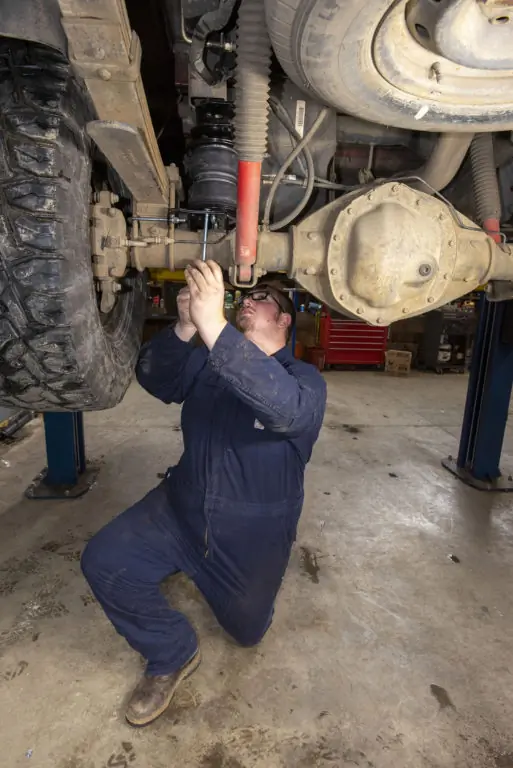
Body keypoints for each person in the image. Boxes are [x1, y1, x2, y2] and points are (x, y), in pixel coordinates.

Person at [81, 260, 326, 727]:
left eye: (262, 299)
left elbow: (289, 414)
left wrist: (215, 326)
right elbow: (154, 377)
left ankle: (223, 578)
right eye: (245, 297)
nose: (247, 301)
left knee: (246, 632)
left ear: (284, 320)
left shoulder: (304, 382)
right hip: (181, 508)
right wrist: (186, 326)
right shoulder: (211, 363)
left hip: (249, 535)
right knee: (103, 561)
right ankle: (172, 651)